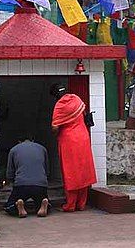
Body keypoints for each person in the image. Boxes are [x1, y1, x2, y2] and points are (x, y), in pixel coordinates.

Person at [50, 83, 96, 212]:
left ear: (55, 95)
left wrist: (54, 133)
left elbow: (55, 127)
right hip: (83, 138)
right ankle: (81, 204)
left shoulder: (59, 105)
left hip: (69, 141)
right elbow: (85, 114)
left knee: (70, 172)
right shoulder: (76, 99)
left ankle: (70, 205)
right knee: (83, 171)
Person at [3, 135, 50, 218]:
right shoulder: (42, 148)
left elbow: (10, 171)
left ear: (19, 141)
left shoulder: (14, 149)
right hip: (40, 185)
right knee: (42, 200)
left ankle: (18, 205)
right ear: (33, 140)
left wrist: (10, 181)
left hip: (21, 185)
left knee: (8, 206)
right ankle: (43, 205)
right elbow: (47, 170)